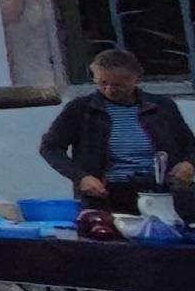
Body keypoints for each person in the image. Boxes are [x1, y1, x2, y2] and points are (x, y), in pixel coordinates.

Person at [41, 49, 195, 210]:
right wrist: (81, 177)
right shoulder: (81, 109)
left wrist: (189, 164)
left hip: (164, 192)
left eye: (118, 85)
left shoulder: (162, 107)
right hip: (106, 194)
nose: (109, 90)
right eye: (103, 83)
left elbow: (190, 145)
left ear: (136, 79)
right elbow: (50, 147)